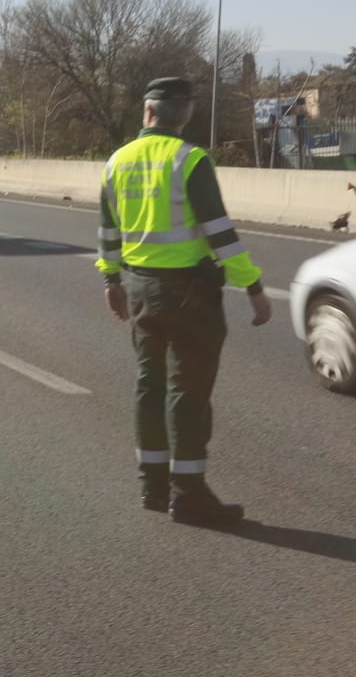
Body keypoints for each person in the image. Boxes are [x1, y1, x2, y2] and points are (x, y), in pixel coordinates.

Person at [96, 77, 272, 526]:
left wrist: (112, 280)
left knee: (148, 386)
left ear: (147, 112)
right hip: (188, 294)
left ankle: (152, 487)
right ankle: (188, 494)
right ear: (187, 114)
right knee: (187, 394)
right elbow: (221, 233)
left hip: (138, 289)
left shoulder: (117, 162)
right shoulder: (190, 161)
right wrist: (252, 287)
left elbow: (108, 233)